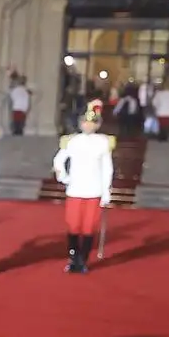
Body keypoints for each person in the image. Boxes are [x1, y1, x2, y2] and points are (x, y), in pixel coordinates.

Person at [52, 101, 114, 273]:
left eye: (92, 122)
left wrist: (106, 191)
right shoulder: (72, 141)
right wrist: (64, 177)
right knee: (73, 225)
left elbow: (107, 169)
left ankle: (83, 260)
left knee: (88, 227)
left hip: (94, 190)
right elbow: (58, 161)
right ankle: (72, 257)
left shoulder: (103, 142)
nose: (88, 125)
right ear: (80, 123)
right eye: (85, 122)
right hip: (75, 189)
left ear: (97, 124)